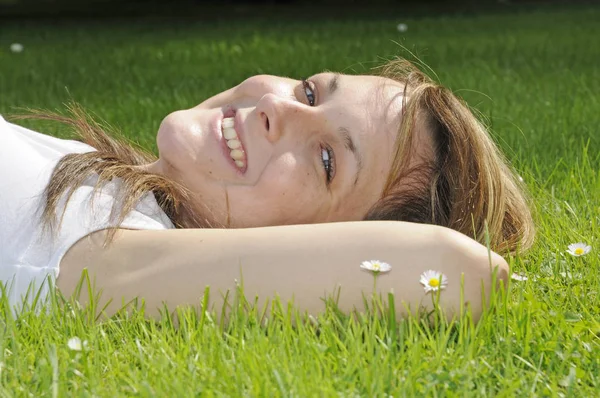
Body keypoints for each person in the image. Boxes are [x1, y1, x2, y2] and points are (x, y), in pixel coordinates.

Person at [0, 58, 534, 322]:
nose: (277, 107)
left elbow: (459, 272)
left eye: (326, 159)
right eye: (310, 91)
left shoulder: (104, 252)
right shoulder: (104, 192)